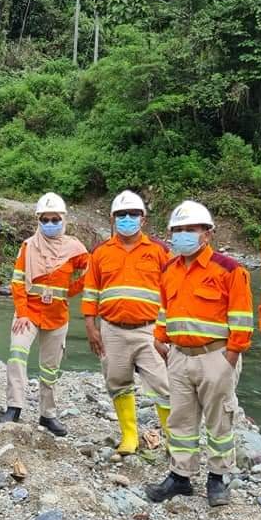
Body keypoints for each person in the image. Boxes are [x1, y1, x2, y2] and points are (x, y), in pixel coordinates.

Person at [145, 200, 253, 507]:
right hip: (179, 355)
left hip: (216, 355)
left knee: (220, 421)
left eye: (190, 229)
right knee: (180, 419)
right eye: (177, 230)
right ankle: (180, 476)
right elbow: (165, 309)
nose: (183, 235)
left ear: (207, 233)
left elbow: (242, 318)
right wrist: (159, 338)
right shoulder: (169, 269)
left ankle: (218, 478)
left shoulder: (229, 269)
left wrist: (230, 358)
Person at [82, 190, 170, 454]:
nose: (127, 218)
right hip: (112, 330)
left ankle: (174, 439)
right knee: (117, 381)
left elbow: (173, 290)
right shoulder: (100, 252)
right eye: (121, 214)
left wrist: (168, 330)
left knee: (163, 385)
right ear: (112, 219)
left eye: (133, 214)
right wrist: (91, 327)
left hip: (150, 330)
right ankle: (129, 437)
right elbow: (91, 292)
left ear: (143, 219)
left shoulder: (159, 251)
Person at [0, 193, 88, 436]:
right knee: (17, 355)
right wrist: (22, 313)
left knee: (50, 368)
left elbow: (91, 272)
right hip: (28, 313)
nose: (50, 223)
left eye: (55, 219)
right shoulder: (29, 246)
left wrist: (71, 291)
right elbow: (18, 282)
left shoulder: (74, 248)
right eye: (45, 219)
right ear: (38, 220)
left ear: (63, 219)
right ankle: (14, 407)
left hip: (57, 316)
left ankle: (47, 415)